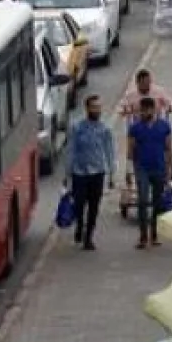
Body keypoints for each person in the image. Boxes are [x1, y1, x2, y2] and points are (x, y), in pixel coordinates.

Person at [63, 95, 115, 251]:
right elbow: (70, 150)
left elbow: (109, 152)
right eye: (93, 107)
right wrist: (67, 173)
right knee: (79, 205)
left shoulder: (104, 129)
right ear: (87, 109)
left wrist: (112, 172)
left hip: (98, 173)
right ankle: (79, 225)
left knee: (94, 206)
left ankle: (88, 237)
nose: (97, 110)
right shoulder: (77, 128)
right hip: (80, 173)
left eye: (98, 107)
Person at [126, 96, 172, 249]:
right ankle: (143, 236)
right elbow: (130, 151)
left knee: (158, 202)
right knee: (143, 200)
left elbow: (169, 149)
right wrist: (131, 169)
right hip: (142, 168)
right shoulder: (135, 128)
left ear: (154, 109)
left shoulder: (164, 127)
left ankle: (154, 233)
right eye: (142, 110)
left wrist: (170, 170)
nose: (145, 113)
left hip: (159, 167)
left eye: (148, 110)